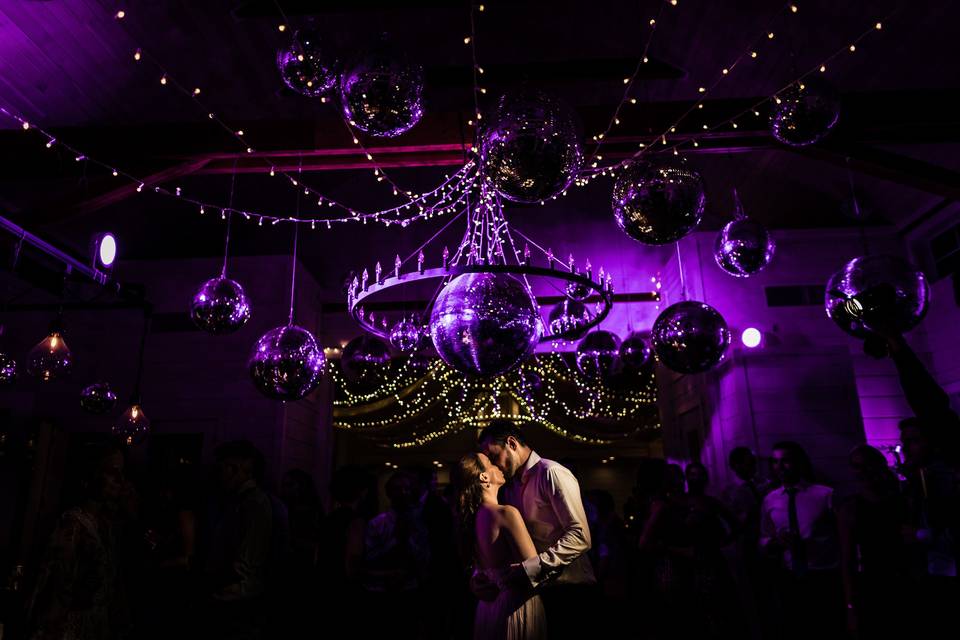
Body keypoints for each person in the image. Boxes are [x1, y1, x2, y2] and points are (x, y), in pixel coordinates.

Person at [476, 420, 595, 640]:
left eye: (493, 457)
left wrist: (531, 569)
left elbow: (580, 535)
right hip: (537, 592)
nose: (493, 466)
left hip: (569, 591)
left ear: (511, 443)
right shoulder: (509, 485)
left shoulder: (551, 473)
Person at [26, 440, 130, 640]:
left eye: (121, 473)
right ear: (94, 473)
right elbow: (55, 591)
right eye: (112, 471)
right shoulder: (74, 525)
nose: (120, 480)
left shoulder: (107, 526)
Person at [455, 452, 546, 640]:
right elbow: (534, 570)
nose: (497, 465)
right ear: (484, 477)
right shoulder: (506, 513)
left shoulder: (473, 518)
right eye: (490, 463)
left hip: (489, 606)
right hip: (515, 604)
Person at [759, 441, 843, 639]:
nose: (779, 467)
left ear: (799, 462)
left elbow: (842, 533)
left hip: (824, 574)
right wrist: (775, 542)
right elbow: (763, 537)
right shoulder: (770, 499)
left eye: (785, 461)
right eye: (775, 462)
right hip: (789, 575)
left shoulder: (824, 494)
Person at [837, 444, 912, 637]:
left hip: (903, 577)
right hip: (872, 582)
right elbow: (847, 560)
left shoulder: (901, 500)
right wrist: (850, 605)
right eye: (857, 467)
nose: (863, 471)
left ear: (879, 466)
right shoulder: (850, 508)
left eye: (867, 465)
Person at [204, 440, 273, 640]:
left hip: (237, 598)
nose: (220, 475)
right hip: (235, 594)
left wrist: (221, 583)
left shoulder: (253, 502)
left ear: (236, 469)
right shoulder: (241, 500)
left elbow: (248, 558)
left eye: (224, 468)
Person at [362, 470, 431, 639]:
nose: (403, 493)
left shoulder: (419, 523)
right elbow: (368, 559)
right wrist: (396, 542)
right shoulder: (377, 523)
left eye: (407, 488)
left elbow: (425, 558)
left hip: (409, 591)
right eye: (398, 488)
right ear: (389, 492)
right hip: (379, 592)